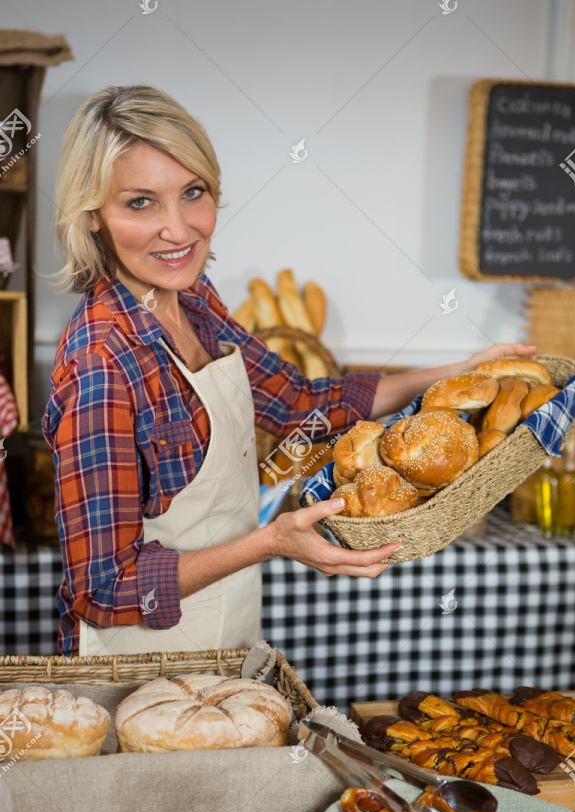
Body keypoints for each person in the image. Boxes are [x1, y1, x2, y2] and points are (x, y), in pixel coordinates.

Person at [42, 85, 538, 656]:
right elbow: (102, 589)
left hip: (223, 643)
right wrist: (271, 542)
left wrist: (459, 372)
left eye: (192, 192)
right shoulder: (100, 364)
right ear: (92, 217)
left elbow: (301, 401)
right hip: (129, 673)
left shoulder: (193, 301)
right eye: (140, 202)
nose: (179, 230)